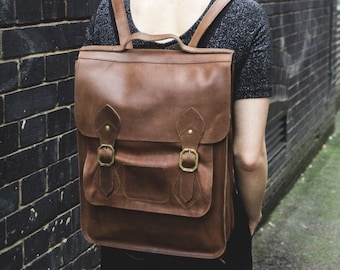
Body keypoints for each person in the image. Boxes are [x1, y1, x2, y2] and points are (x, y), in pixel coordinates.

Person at [84, 0, 272, 269]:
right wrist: (252, 215)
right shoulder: (245, 15)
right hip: (207, 232)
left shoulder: (108, 10)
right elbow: (249, 157)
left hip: (123, 227)